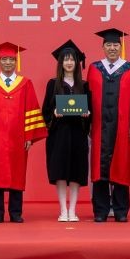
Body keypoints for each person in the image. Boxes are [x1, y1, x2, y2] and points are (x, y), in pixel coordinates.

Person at [0, 41, 42, 223]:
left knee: (17, 173)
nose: (8, 62)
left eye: (11, 59)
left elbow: (31, 109)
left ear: (16, 62)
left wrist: (29, 136)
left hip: (18, 136)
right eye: (4, 59)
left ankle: (16, 213)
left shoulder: (25, 83)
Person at [88, 27, 130, 223]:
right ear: (103, 47)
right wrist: (87, 123)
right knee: (99, 168)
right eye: (109, 45)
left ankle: (120, 210)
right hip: (99, 126)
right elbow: (88, 98)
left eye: (115, 45)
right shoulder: (94, 68)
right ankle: (100, 210)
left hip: (123, 126)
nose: (112, 48)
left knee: (122, 165)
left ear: (121, 47)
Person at [41, 40, 92, 222]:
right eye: (66, 59)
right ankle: (63, 209)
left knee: (76, 171)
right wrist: (54, 114)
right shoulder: (53, 84)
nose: (69, 63)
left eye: (72, 59)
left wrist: (87, 114)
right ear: (60, 62)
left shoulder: (84, 85)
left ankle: (73, 210)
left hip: (78, 133)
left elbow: (91, 110)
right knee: (61, 171)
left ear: (77, 63)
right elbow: (45, 110)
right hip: (59, 134)